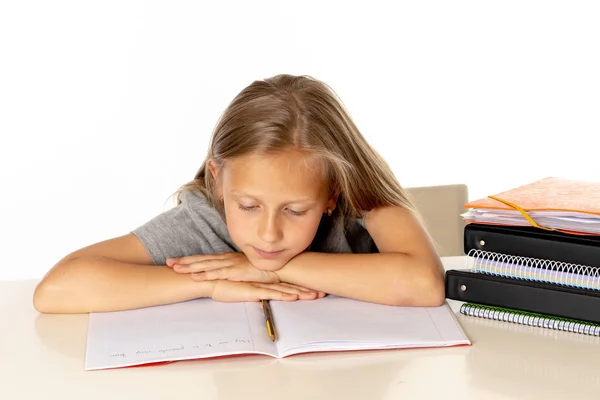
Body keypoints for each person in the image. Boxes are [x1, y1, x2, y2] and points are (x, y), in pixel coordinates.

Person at [33, 74, 445, 314]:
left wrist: (270, 269)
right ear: (218, 181)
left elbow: (425, 284)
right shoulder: (205, 220)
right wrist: (211, 284)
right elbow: (56, 290)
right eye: (248, 206)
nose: (268, 234)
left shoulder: (361, 193)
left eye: (296, 210)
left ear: (332, 195)